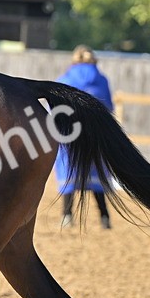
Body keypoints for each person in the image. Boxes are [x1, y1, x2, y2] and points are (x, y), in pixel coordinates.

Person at [55, 45, 115, 229]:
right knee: (96, 173)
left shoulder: (64, 80)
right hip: (95, 134)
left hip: (70, 133)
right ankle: (104, 218)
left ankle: (67, 216)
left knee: (69, 170)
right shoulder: (102, 81)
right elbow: (109, 108)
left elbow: (55, 111)